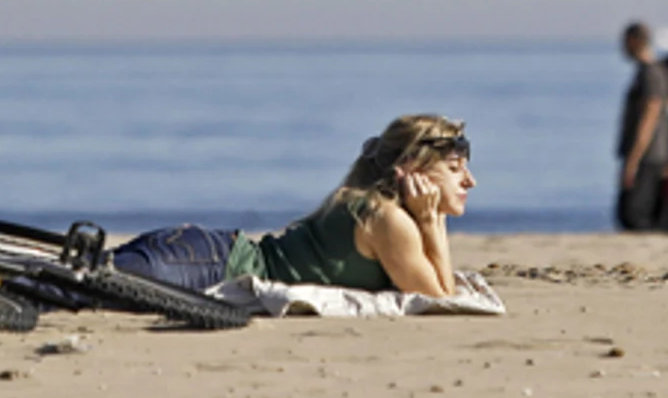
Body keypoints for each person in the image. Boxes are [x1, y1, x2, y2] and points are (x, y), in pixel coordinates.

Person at [108, 114, 477, 297]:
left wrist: (433, 217)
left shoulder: (367, 202)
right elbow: (440, 300)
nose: (469, 181)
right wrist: (431, 223)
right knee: (72, 284)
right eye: (454, 168)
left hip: (196, 252)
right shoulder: (387, 219)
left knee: (79, 274)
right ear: (412, 169)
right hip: (206, 265)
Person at [615, 22, 668, 232]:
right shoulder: (652, 71)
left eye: (625, 42)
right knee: (635, 214)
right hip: (651, 153)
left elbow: (650, 116)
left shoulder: (650, 73)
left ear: (635, 41)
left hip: (647, 155)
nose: (622, 48)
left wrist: (633, 158)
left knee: (633, 214)